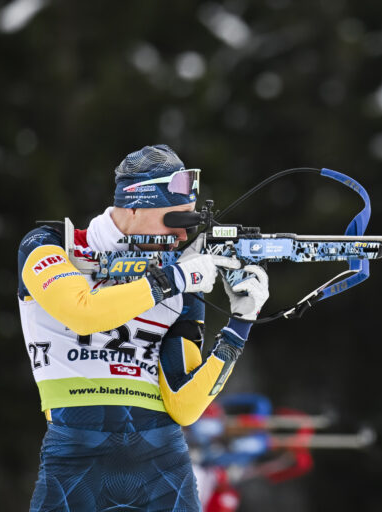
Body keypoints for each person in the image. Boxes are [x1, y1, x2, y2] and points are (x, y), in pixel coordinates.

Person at [17, 144, 269, 511]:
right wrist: (171, 279)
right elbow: (82, 312)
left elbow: (184, 405)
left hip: (163, 468)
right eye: (174, 221)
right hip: (76, 464)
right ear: (134, 207)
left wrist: (240, 324)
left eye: (190, 224)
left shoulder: (180, 279)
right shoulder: (50, 245)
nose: (183, 237)